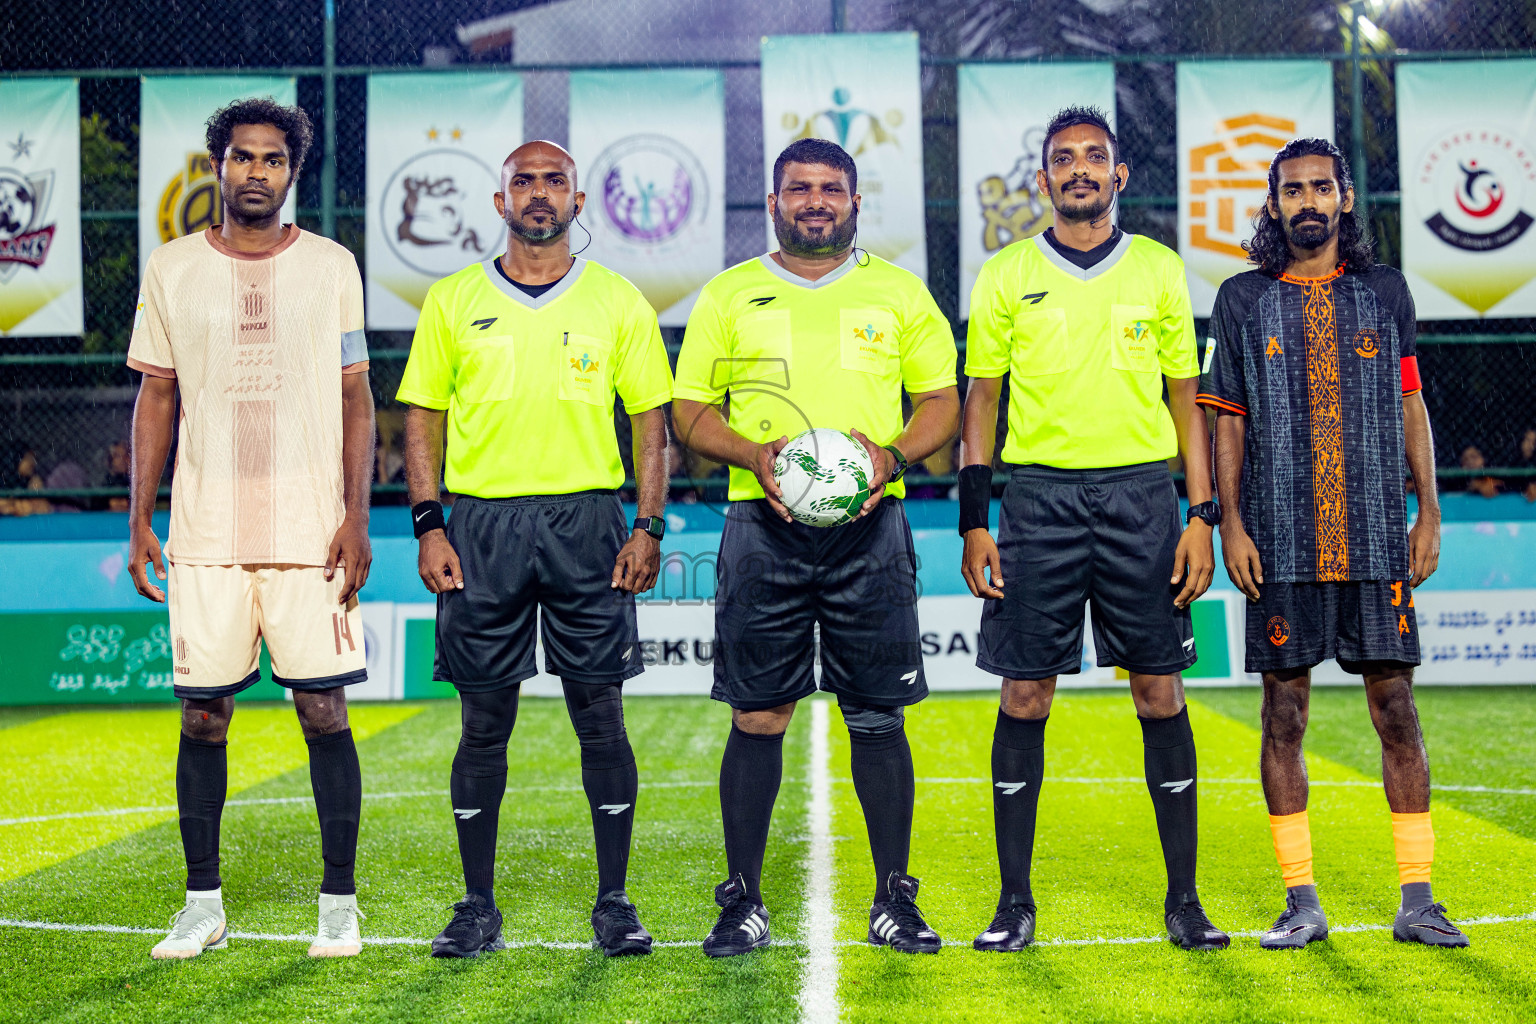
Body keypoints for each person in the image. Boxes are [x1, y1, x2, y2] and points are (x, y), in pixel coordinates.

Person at [673, 138, 961, 956]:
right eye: (798, 188)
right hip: (760, 528)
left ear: (855, 202)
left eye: (831, 188)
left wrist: (892, 457)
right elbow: (689, 410)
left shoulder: (898, 292)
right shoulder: (730, 294)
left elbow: (941, 401)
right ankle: (743, 900)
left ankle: (894, 899)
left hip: (872, 529)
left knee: (876, 714)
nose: (815, 201)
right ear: (773, 203)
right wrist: (752, 455)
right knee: (759, 713)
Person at [959, 106, 1227, 952]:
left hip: (1143, 501)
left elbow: (1186, 400)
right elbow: (981, 401)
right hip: (1036, 501)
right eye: (1064, 159)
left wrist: (1202, 514)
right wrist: (974, 520)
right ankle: (1014, 903)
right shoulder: (1006, 273)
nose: (1080, 169)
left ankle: (1184, 901)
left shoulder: (1158, 268)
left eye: (1094, 156)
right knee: (1024, 693)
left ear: (1119, 175)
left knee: (1159, 691)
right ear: (1043, 180)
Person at [398, 140, 673, 958]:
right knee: (484, 721)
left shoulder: (617, 300)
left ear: (578, 201)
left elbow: (651, 424)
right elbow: (422, 417)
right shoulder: (453, 300)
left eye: (555, 181)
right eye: (524, 181)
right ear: (501, 201)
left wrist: (648, 525)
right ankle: (476, 906)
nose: (540, 194)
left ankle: (614, 903)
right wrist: (428, 523)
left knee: (600, 715)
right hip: (481, 526)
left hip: (588, 522)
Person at [1199, 137, 1466, 949]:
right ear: (1273, 204)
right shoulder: (1242, 299)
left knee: (1397, 711)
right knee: (1283, 715)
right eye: (1292, 190)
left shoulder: (1385, 292)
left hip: (1377, 535)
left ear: (1345, 198)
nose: (1307, 201)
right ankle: (1300, 900)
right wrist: (1231, 523)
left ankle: (1417, 899)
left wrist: (1429, 512)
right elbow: (1225, 422)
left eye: (1321, 187)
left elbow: (1411, 402)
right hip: (1279, 541)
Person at [126, 98, 375, 960]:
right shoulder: (172, 268)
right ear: (217, 167)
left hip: (311, 533)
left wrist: (356, 517)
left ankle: (338, 903)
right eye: (242, 157)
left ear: (292, 172)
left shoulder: (333, 266)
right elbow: (155, 394)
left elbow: (356, 395)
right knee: (203, 720)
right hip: (204, 533)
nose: (256, 171)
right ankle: (203, 905)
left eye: (273, 159)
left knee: (323, 709)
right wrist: (140, 518)